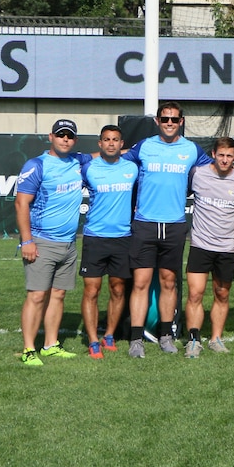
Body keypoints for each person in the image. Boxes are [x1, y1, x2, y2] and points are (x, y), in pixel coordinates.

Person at [122, 101, 212, 358]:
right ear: (157, 121)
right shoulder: (144, 147)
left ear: (181, 121)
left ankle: (165, 335)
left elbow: (217, 169)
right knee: (140, 283)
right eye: (165, 119)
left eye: (174, 119)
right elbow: (115, 159)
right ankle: (136, 339)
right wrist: (80, 159)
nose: (170, 123)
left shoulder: (192, 150)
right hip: (145, 224)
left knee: (168, 282)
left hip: (174, 225)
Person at [15, 119, 90, 365]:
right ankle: (28, 349)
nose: (65, 139)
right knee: (37, 296)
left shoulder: (79, 161)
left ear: (75, 140)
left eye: (69, 136)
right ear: (51, 137)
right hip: (41, 241)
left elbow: (106, 152)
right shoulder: (37, 165)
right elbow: (21, 203)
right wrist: (27, 241)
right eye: (60, 135)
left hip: (68, 244)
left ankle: (50, 345)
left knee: (58, 295)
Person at [183, 138, 234, 357]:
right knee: (195, 294)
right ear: (213, 154)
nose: (224, 159)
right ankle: (193, 340)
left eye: (229, 156)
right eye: (221, 155)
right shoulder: (198, 174)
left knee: (222, 294)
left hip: (226, 248)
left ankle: (216, 339)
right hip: (200, 245)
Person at [79, 125, 136, 359]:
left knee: (118, 288)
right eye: (106, 140)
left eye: (115, 140)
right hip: (95, 237)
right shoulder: (88, 168)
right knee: (91, 290)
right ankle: (93, 340)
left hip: (122, 238)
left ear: (121, 144)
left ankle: (109, 335)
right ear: (99, 143)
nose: (111, 143)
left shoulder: (132, 168)